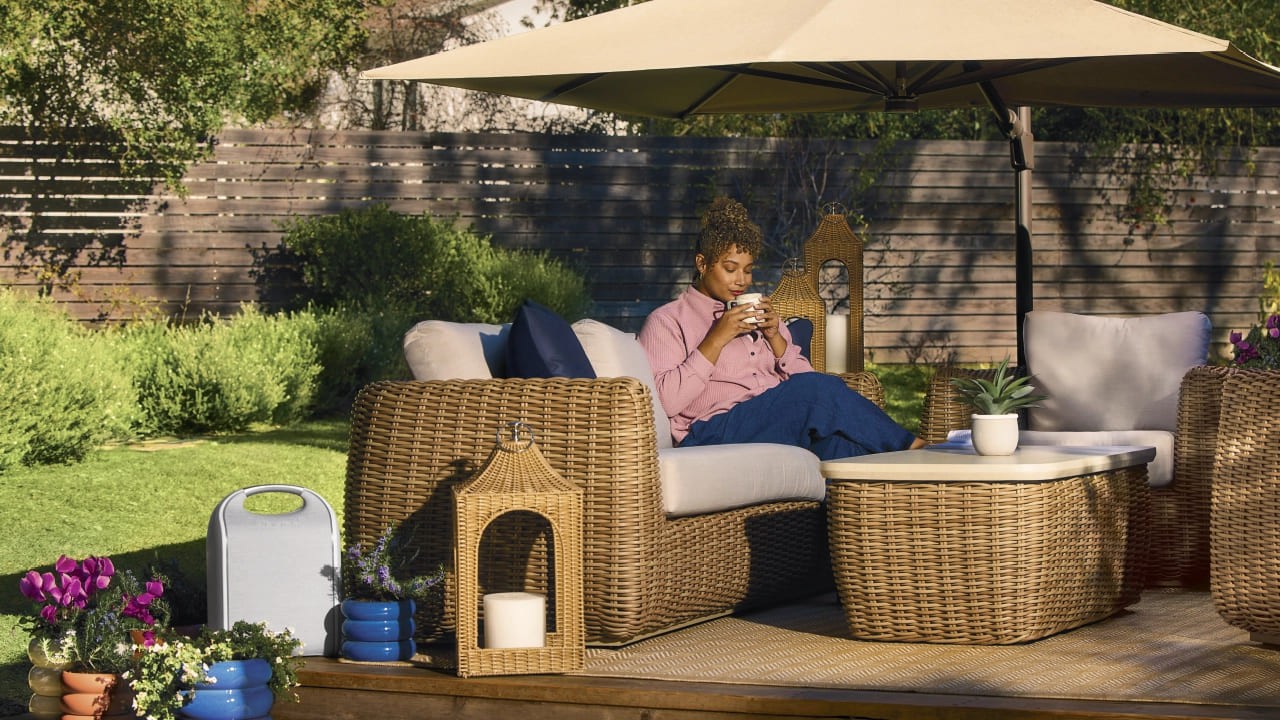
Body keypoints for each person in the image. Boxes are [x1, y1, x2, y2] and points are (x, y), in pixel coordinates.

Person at [638, 196, 925, 460]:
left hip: (773, 423)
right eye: (730, 268)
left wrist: (775, 338)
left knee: (847, 450)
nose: (742, 280)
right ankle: (912, 448)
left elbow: (809, 381)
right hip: (710, 432)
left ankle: (909, 494)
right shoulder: (667, 320)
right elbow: (667, 401)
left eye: (748, 270)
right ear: (702, 263)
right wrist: (715, 340)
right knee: (813, 391)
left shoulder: (759, 315)